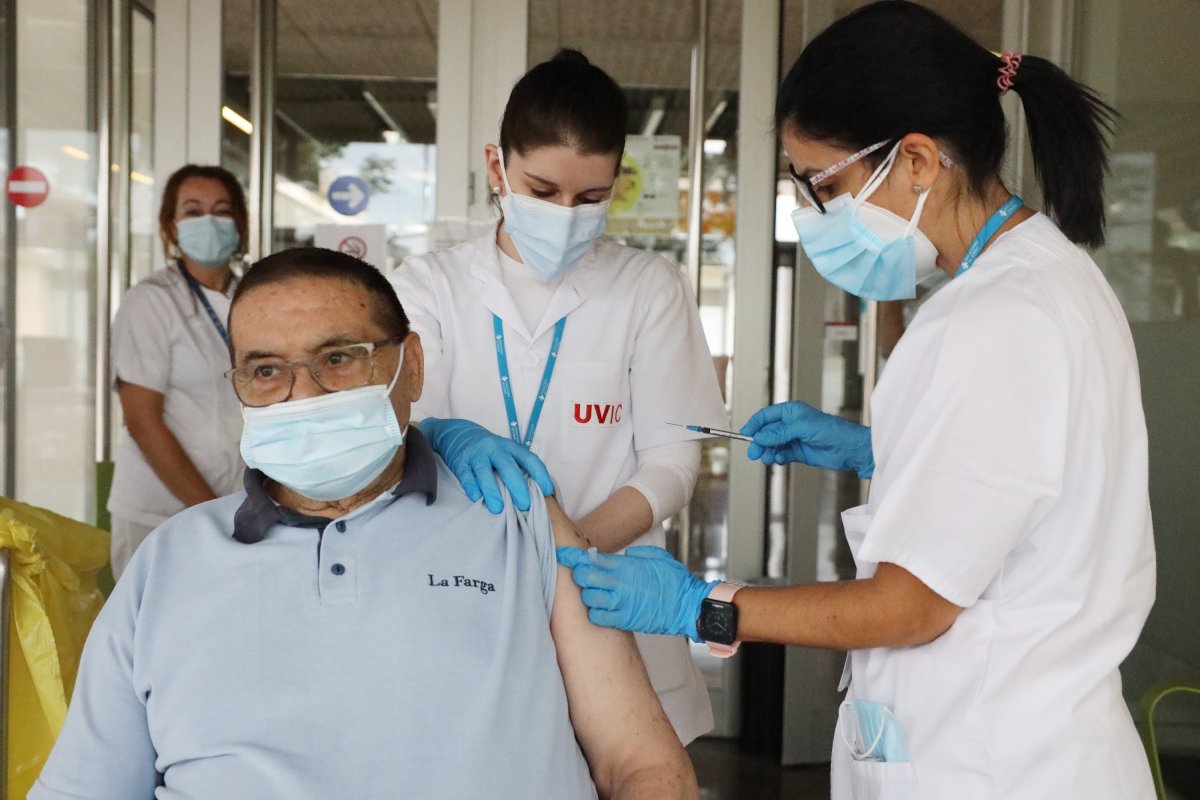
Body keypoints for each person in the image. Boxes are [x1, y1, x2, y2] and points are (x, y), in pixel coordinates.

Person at [558, 3, 1156, 798]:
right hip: (1015, 739)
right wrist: (875, 447)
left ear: (915, 160)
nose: (812, 214)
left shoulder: (993, 317)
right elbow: (1031, 474)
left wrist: (706, 605)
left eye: (824, 184)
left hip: (988, 762)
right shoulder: (1045, 277)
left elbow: (911, 607)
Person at [31, 248, 699, 800]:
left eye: (339, 357)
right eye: (267, 370)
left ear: (411, 365)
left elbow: (641, 764)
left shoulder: (515, 518)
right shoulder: (168, 565)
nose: (305, 394)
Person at [389, 49, 727, 744]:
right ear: (496, 167)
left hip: (610, 593)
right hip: (463, 591)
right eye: (542, 192)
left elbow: (670, 465)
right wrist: (442, 433)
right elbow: (403, 431)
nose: (566, 215)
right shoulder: (429, 287)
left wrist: (567, 553)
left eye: (591, 198)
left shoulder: (646, 288)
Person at [107, 164, 249, 577]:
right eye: (192, 211)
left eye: (222, 210)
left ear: (239, 222)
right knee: (155, 635)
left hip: (238, 506)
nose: (210, 221)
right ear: (170, 228)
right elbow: (142, 421)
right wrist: (211, 511)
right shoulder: (150, 301)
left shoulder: (253, 296)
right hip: (161, 514)